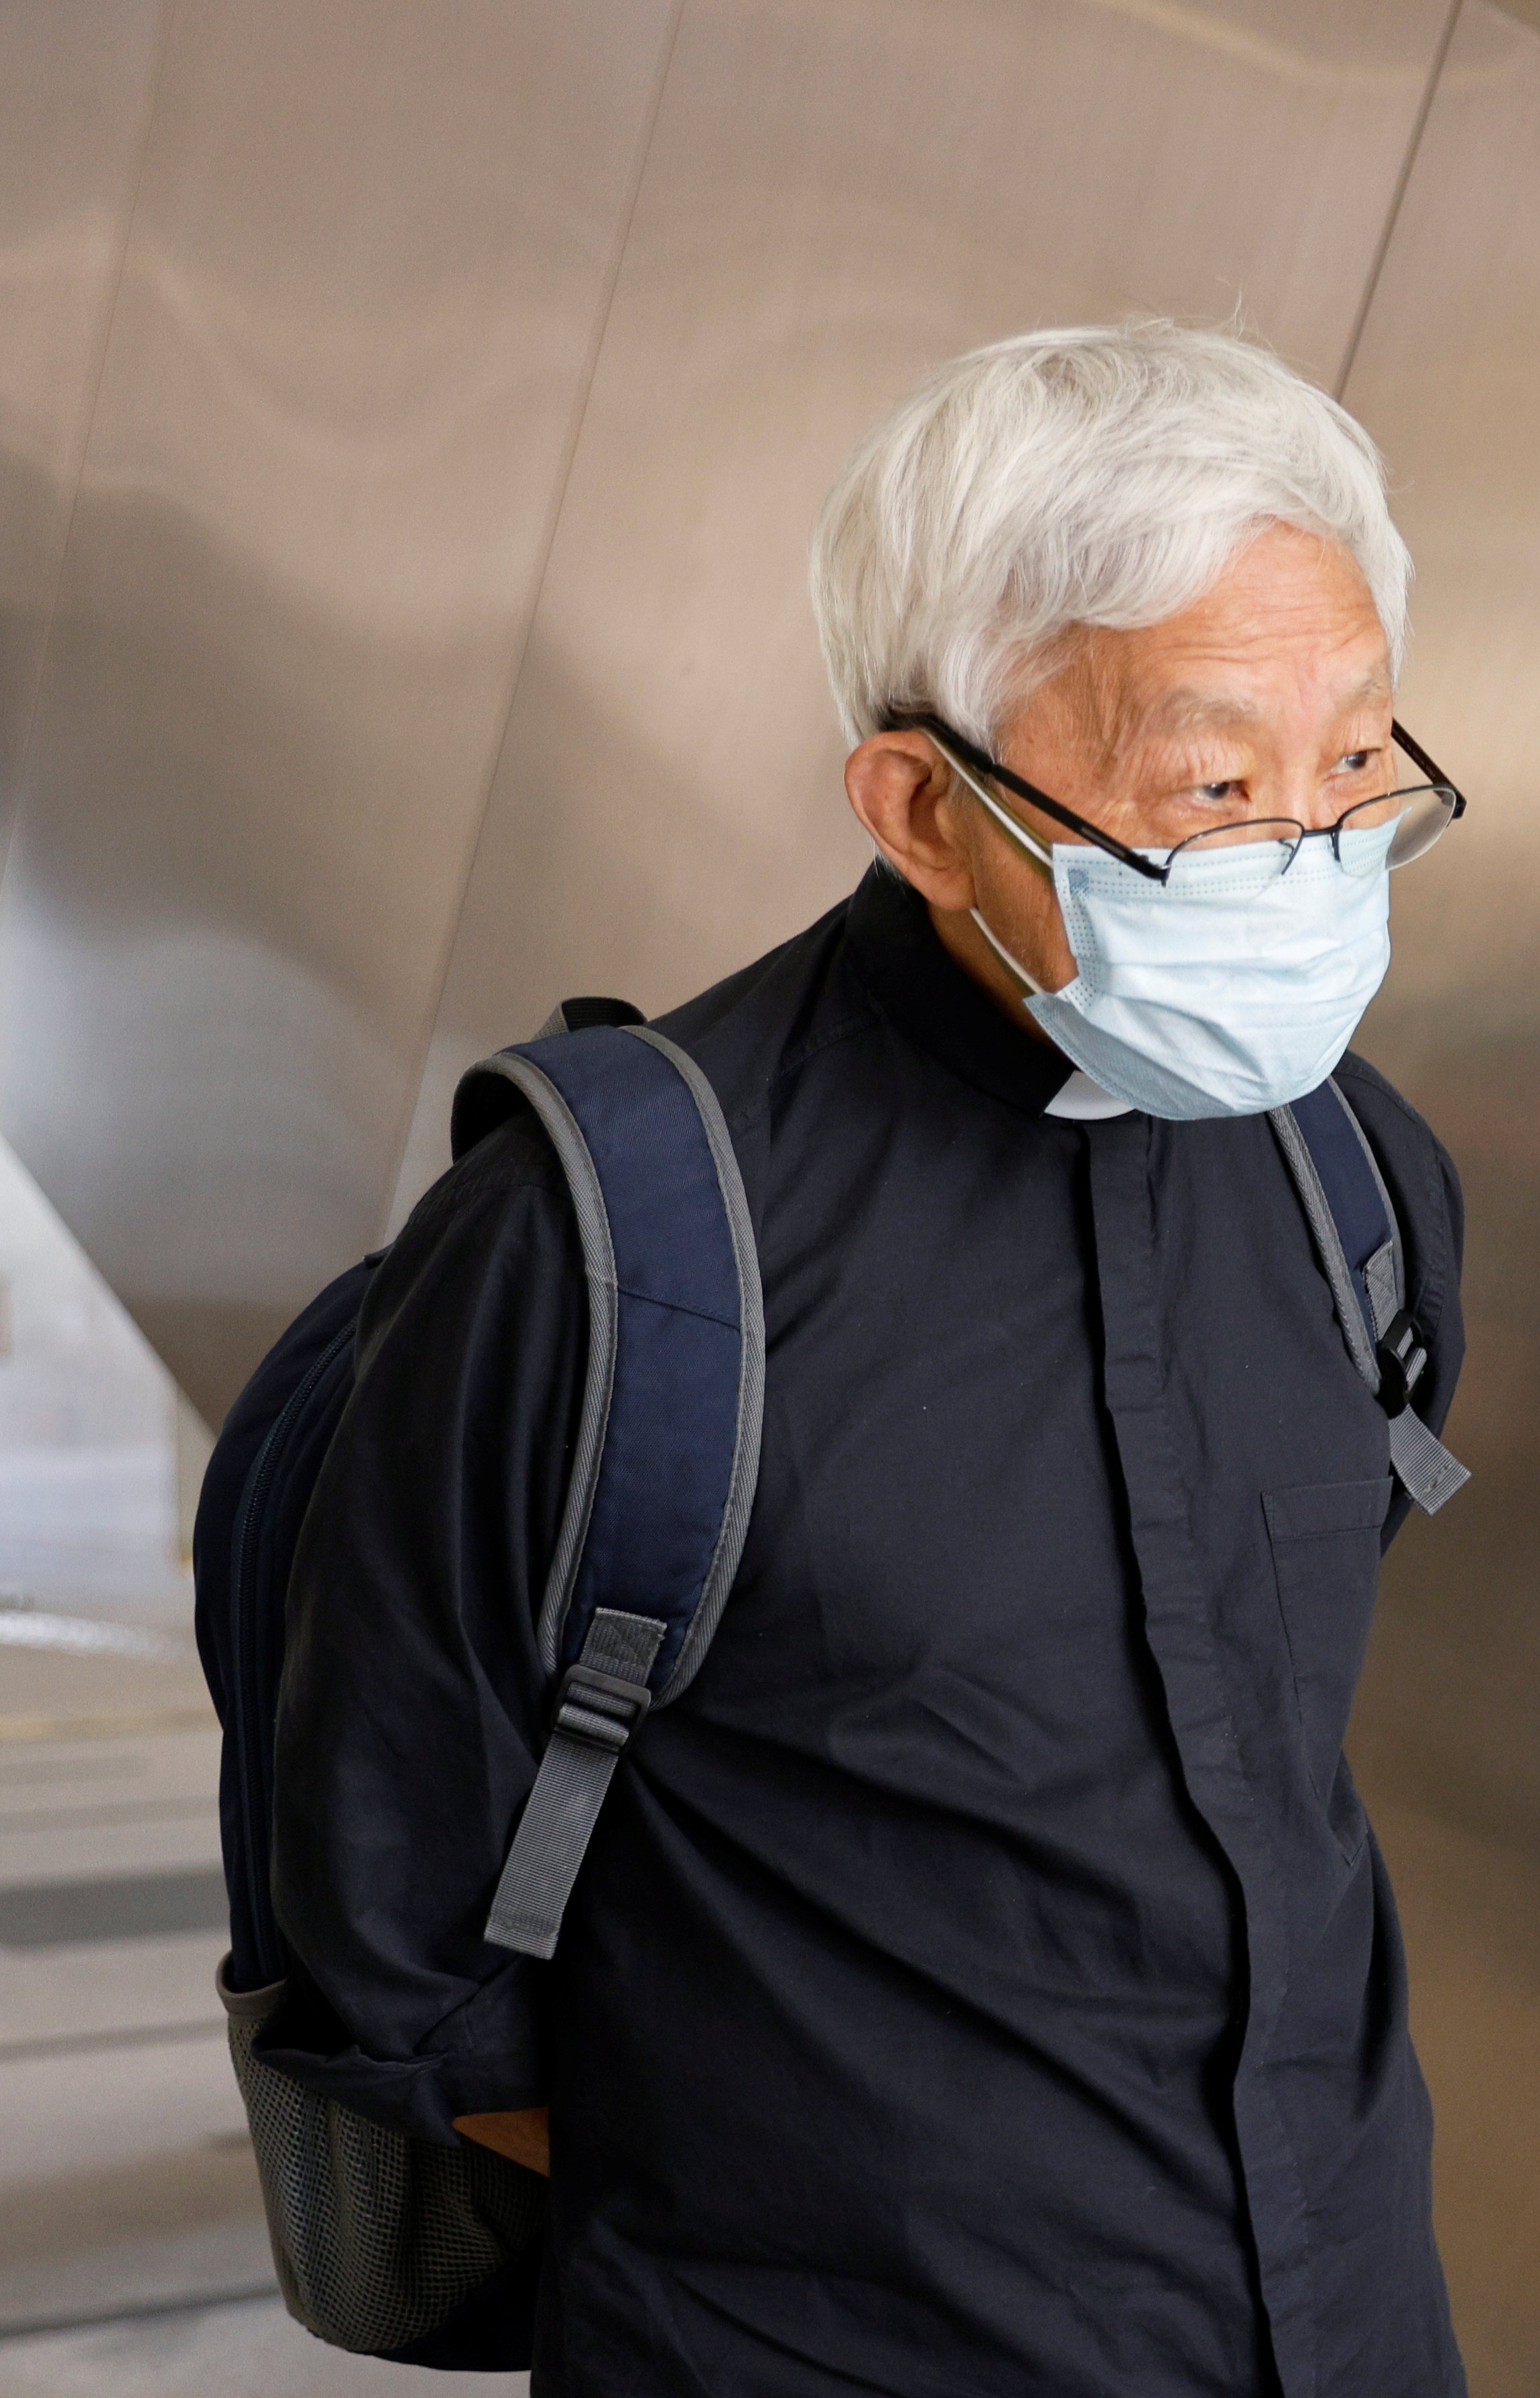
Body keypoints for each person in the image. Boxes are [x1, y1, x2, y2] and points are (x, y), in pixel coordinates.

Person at [264, 320, 1472, 2394]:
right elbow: (389, 1941)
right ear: (922, 804)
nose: (1307, 849)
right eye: (1211, 779)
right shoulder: (615, 1253)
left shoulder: (1358, 1182)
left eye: (1355, 756)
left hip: (1350, 2324)